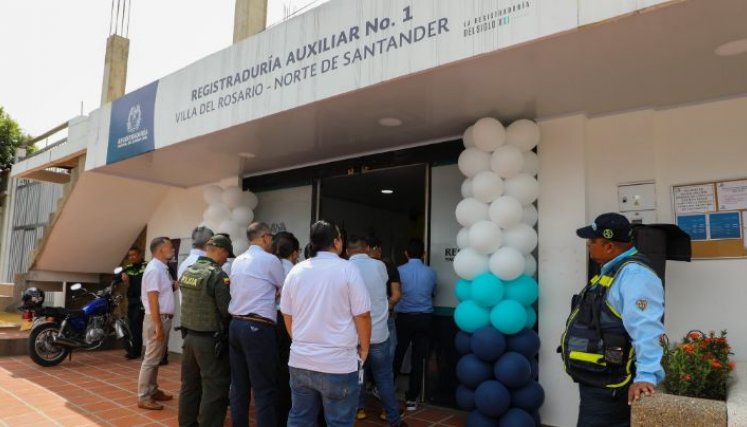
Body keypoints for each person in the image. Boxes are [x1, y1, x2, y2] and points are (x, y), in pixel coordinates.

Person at [561, 212, 665, 427]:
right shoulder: (612, 271)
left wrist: (646, 376)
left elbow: (646, 328)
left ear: (609, 246)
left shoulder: (635, 276)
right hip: (598, 380)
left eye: (592, 241)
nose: (588, 245)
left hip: (612, 388)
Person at [280, 220, 372, 427]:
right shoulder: (347, 270)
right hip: (338, 363)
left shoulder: (296, 271)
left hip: (300, 361)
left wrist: (300, 340)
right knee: (339, 422)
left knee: (299, 418)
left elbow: (286, 313)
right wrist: (365, 349)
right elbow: (363, 315)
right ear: (336, 242)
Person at [228, 222, 285, 427]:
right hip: (258, 327)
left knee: (239, 385)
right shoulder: (270, 260)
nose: (271, 241)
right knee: (264, 388)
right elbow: (284, 289)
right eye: (270, 237)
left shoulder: (238, 260)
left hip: (235, 325)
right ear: (264, 237)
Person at [347, 235, 406, 427]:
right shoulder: (380, 266)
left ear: (347, 251)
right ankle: (393, 419)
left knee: (357, 375)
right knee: (384, 378)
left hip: (355, 335)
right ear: (366, 249)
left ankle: (358, 410)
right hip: (379, 332)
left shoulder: (344, 268)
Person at [178, 234, 233, 427]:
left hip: (189, 338)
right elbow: (226, 310)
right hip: (210, 340)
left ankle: (186, 423)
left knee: (190, 386)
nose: (227, 259)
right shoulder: (218, 275)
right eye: (227, 254)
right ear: (221, 250)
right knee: (215, 387)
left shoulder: (189, 270)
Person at [392, 238, 437, 412]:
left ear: (406, 253)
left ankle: (386, 391)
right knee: (418, 359)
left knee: (398, 354)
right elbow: (433, 291)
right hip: (425, 318)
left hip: (403, 318)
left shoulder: (398, 271)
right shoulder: (431, 272)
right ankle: (411, 399)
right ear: (424, 254)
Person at [137, 237, 177, 410]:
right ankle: (144, 396)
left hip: (162, 318)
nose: (173, 249)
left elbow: (165, 290)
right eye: (170, 247)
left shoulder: (162, 268)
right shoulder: (154, 269)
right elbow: (153, 299)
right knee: (151, 359)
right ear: (161, 249)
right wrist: (158, 325)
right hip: (157, 318)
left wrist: (177, 284)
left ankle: (152, 391)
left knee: (156, 358)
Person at [272, 231, 300, 427]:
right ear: (295, 252)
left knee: (275, 368)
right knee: (286, 369)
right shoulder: (295, 271)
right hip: (288, 321)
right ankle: (285, 414)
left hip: (271, 320)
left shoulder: (270, 266)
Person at [366, 235, 402, 360]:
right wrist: (385, 308)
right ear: (377, 249)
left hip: (360, 317)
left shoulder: (353, 266)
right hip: (385, 318)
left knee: (361, 360)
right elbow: (396, 295)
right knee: (386, 359)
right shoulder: (388, 265)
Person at [122, 246, 147, 360]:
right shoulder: (128, 268)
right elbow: (120, 280)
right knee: (132, 325)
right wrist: (124, 280)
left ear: (140, 255)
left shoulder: (147, 266)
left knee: (136, 325)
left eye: (134, 255)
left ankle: (135, 351)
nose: (131, 257)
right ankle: (134, 349)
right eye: (130, 255)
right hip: (131, 300)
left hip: (142, 300)